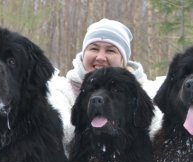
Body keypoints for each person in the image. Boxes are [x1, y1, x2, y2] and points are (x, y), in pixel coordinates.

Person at [49, 18, 155, 148]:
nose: (100, 57)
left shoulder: (145, 91)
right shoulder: (62, 91)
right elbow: (59, 133)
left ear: (124, 60)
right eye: (94, 49)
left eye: (110, 51)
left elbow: (155, 130)